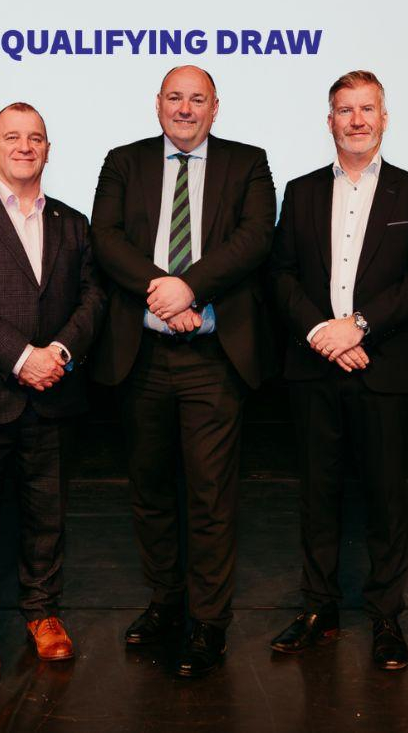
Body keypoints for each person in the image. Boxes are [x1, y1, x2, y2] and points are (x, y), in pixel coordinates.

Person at [91, 66, 275, 677]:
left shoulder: (249, 163)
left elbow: (252, 240)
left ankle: (207, 622)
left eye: (198, 99)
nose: (186, 109)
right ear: (158, 104)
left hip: (213, 362)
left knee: (210, 497)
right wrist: (161, 292)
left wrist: (189, 288)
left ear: (215, 108)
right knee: (149, 494)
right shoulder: (123, 161)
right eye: (176, 97)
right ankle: (166, 603)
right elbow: (105, 238)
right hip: (141, 357)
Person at [269, 70, 408, 670]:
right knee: (317, 496)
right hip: (314, 368)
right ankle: (319, 609)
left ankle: (385, 617)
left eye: (368, 108)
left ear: (385, 117)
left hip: (384, 369)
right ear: (330, 120)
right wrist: (323, 332)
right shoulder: (300, 191)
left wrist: (359, 325)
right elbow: (282, 274)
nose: (358, 120)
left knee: (386, 499)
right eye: (346, 110)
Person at [0, 103, 106, 679]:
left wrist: (57, 353)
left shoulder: (74, 223)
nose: (24, 146)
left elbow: (93, 298)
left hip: (54, 391)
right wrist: (21, 356)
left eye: (35, 138)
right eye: (13, 137)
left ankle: (43, 613)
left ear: (49, 149)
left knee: (47, 517)